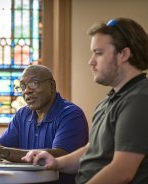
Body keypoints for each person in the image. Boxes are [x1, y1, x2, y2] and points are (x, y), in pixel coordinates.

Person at [22, 17, 148, 183]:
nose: (91, 61)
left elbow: (122, 171)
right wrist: (57, 162)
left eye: (98, 53)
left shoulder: (139, 99)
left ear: (124, 54)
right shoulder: (108, 102)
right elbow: (92, 150)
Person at [0, 64, 89, 184]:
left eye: (34, 83)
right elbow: (2, 149)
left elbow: (62, 157)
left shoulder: (71, 114)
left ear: (52, 86)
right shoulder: (22, 115)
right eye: (23, 86)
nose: (27, 91)